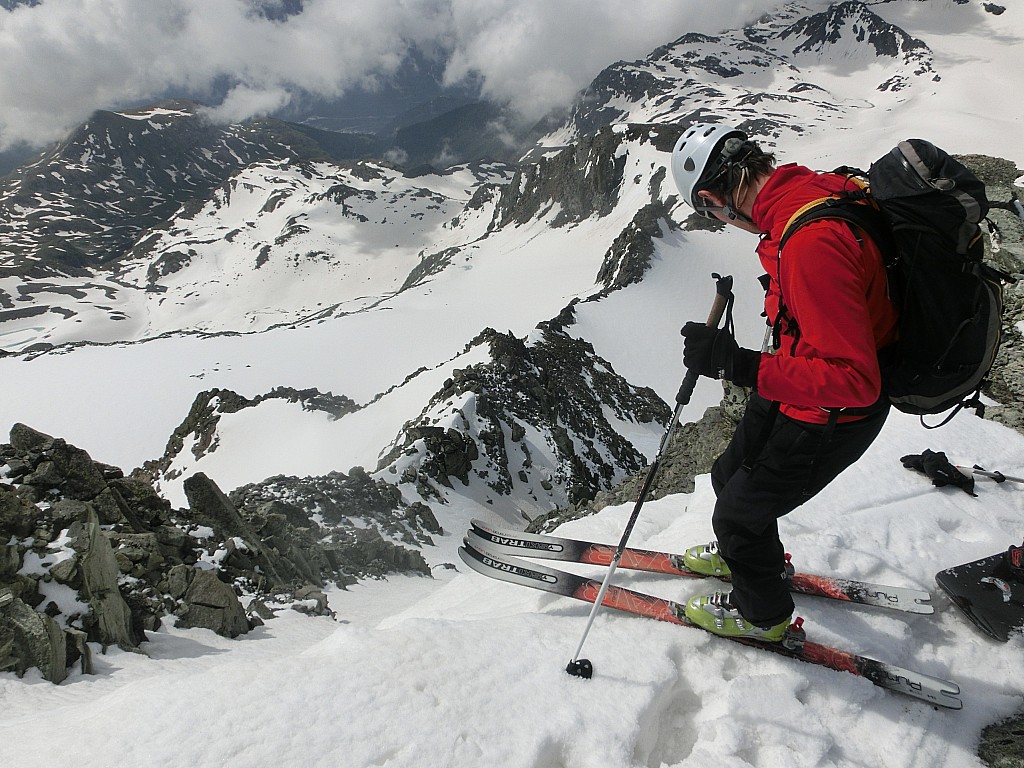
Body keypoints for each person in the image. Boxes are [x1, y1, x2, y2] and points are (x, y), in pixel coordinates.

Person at [669, 124, 899, 641]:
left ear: (712, 199)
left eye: (710, 213)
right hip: (794, 387)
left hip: (833, 416)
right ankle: (748, 559)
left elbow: (856, 381)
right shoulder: (802, 194)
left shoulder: (811, 243)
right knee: (728, 476)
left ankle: (763, 617)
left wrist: (738, 365)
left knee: (737, 517)